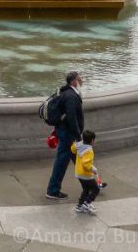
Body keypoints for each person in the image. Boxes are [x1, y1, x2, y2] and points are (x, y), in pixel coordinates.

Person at [46, 70, 85, 200]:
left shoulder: (67, 93)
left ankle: (92, 184)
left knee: (80, 158)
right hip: (69, 134)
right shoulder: (71, 96)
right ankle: (52, 190)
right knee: (61, 162)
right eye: (80, 79)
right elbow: (71, 117)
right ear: (74, 81)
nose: (82, 81)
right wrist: (78, 136)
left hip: (65, 131)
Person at [71, 129, 101, 215]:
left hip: (79, 173)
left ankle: (79, 206)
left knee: (86, 189)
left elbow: (72, 149)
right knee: (96, 189)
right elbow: (86, 164)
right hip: (86, 175)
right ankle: (87, 203)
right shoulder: (89, 150)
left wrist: (75, 143)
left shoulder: (78, 145)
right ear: (92, 140)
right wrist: (93, 169)